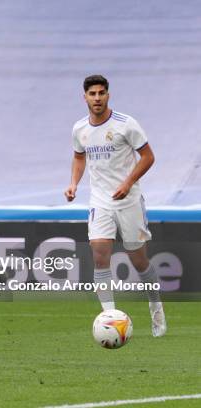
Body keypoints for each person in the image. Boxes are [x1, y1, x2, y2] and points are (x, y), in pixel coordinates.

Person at [64, 75, 166, 337]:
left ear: (108, 95)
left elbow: (148, 157)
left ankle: (155, 305)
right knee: (99, 254)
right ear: (84, 97)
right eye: (92, 94)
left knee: (139, 260)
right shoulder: (79, 129)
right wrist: (74, 183)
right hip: (99, 201)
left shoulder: (125, 124)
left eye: (101, 93)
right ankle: (109, 319)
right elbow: (78, 158)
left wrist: (128, 182)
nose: (97, 98)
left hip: (129, 200)